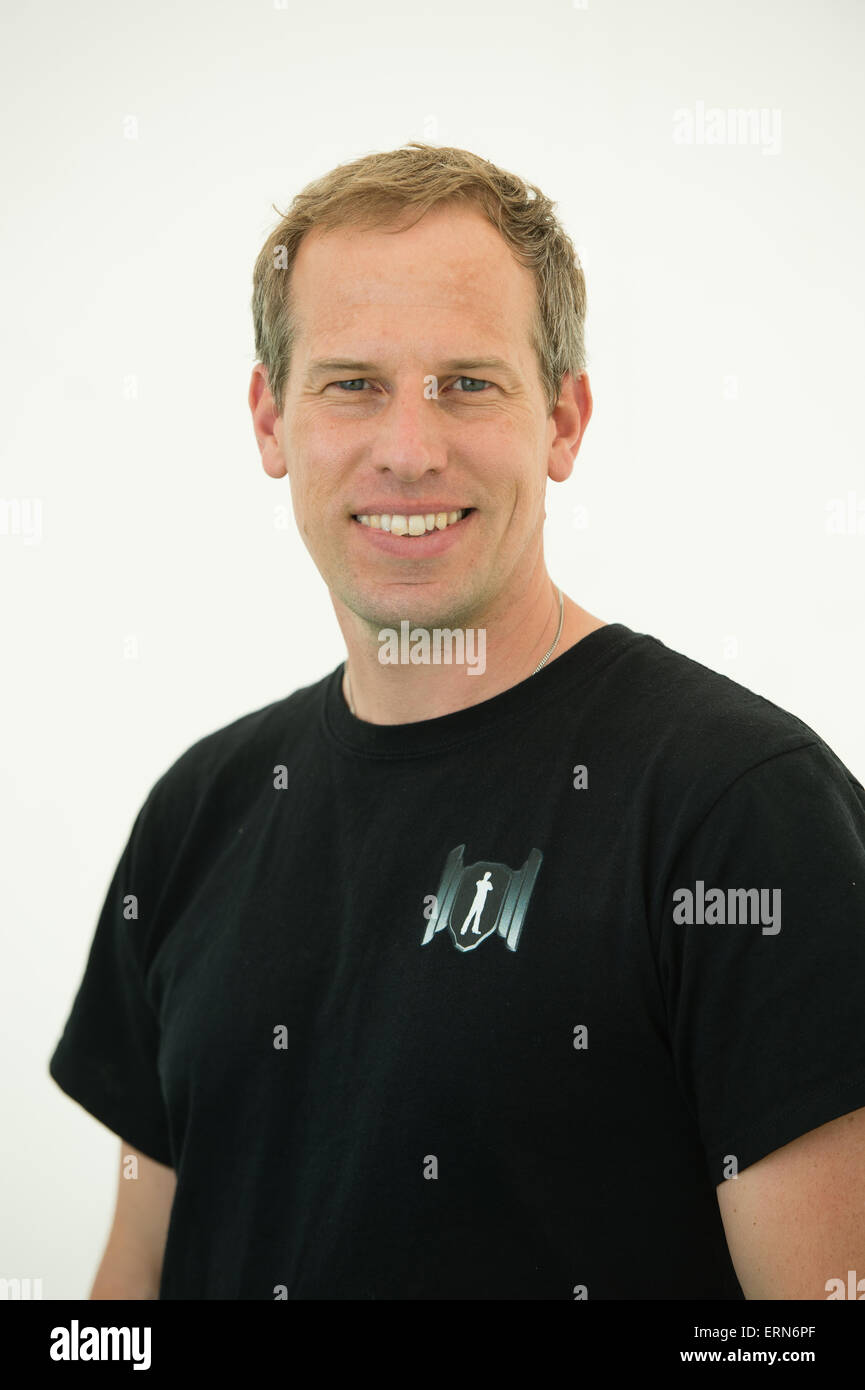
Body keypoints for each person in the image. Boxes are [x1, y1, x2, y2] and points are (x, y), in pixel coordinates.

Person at [49, 143, 865, 1301]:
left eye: (467, 383)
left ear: (565, 421)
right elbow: (129, 1288)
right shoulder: (200, 809)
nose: (410, 448)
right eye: (352, 383)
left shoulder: (739, 810)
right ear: (271, 419)